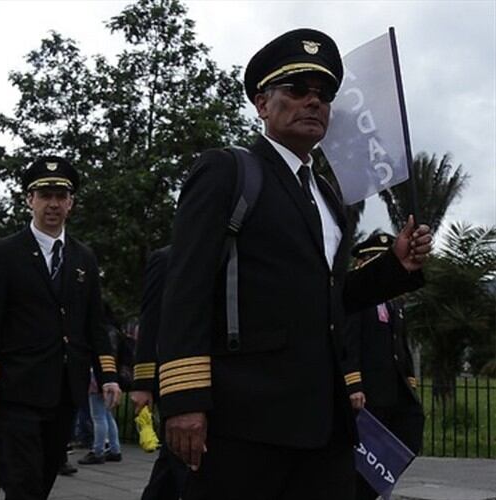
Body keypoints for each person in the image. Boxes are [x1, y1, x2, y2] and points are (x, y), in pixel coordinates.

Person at [157, 28, 433, 500]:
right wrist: (184, 399)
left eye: (324, 94)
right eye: (298, 88)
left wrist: (395, 266)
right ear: (262, 104)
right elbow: (186, 287)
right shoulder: (227, 170)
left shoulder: (326, 194)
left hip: (323, 422)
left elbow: (331, 296)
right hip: (246, 418)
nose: (313, 101)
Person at [0, 155, 122, 499]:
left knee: (42, 476)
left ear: (71, 203)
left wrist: (108, 375)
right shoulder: (5, 252)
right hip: (16, 390)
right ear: (30, 199)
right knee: (24, 484)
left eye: (60, 196)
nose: (53, 204)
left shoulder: (83, 257)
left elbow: (95, 323)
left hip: (64, 390)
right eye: (45, 195)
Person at [343, 232, 424, 500]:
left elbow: (401, 344)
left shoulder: (394, 302)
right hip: (369, 391)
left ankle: (373, 490)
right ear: (362, 263)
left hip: (393, 390)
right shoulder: (357, 299)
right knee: (363, 456)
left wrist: (409, 380)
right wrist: (353, 383)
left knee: (407, 436)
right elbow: (348, 341)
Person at [130, 246, 188, 500]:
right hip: (177, 376)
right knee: (183, 459)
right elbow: (150, 322)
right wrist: (143, 382)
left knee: (172, 463)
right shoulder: (167, 259)